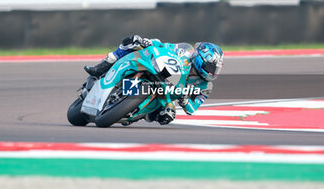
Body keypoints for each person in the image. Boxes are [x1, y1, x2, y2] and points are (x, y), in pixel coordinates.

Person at [84, 35, 224, 125]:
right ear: (201, 59)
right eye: (211, 67)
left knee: (167, 115)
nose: (213, 72)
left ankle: (137, 113)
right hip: (158, 71)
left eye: (216, 69)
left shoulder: (206, 87)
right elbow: (164, 46)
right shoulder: (184, 52)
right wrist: (149, 42)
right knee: (132, 42)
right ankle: (100, 68)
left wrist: (185, 100)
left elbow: (192, 109)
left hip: (165, 95)